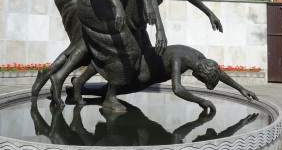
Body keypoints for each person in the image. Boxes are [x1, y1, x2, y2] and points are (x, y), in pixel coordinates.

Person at [68, 43, 258, 114]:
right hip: (144, 74)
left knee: (113, 88)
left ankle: (77, 88)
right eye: (201, 80)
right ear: (200, 73)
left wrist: (241, 89)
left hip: (150, 75)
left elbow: (218, 72)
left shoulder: (200, 59)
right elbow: (177, 89)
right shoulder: (180, 58)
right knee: (115, 87)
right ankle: (79, 86)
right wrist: (201, 100)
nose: (199, 80)